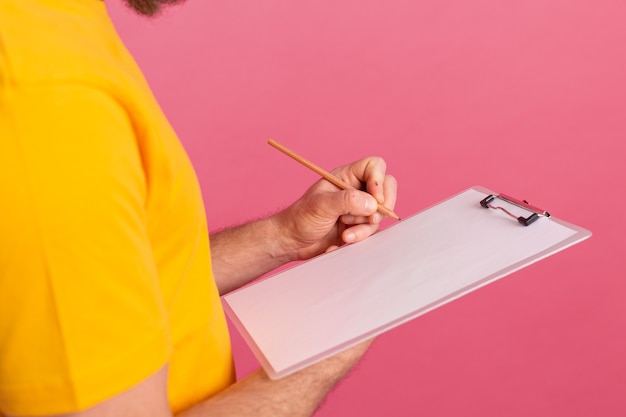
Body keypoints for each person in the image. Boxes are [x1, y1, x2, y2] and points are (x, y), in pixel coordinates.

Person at [0, 0, 398, 416]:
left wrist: (282, 236)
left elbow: (122, 291)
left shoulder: (58, 27)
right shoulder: (42, 97)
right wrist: (335, 343)